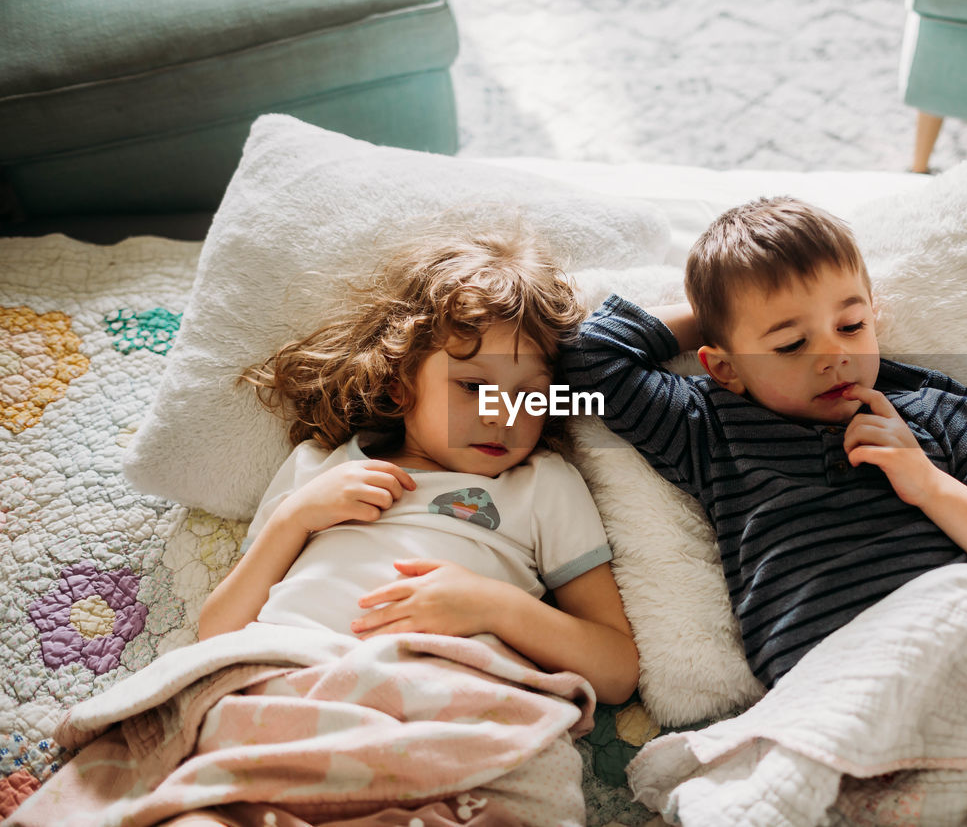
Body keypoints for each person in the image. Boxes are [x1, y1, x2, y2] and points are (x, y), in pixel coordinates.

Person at [14, 222, 639, 827]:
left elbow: (614, 668)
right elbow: (218, 633)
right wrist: (295, 518)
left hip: (437, 696)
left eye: (530, 394)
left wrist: (495, 607)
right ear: (401, 387)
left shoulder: (542, 485)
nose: (502, 416)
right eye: (474, 386)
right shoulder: (320, 466)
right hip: (290, 676)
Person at [561, 196, 967, 689]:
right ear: (722, 368)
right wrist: (727, 317)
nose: (834, 356)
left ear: (875, 315)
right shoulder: (710, 425)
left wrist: (928, 485)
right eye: (791, 344)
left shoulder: (937, 406)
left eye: (851, 325)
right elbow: (588, 358)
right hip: (830, 689)